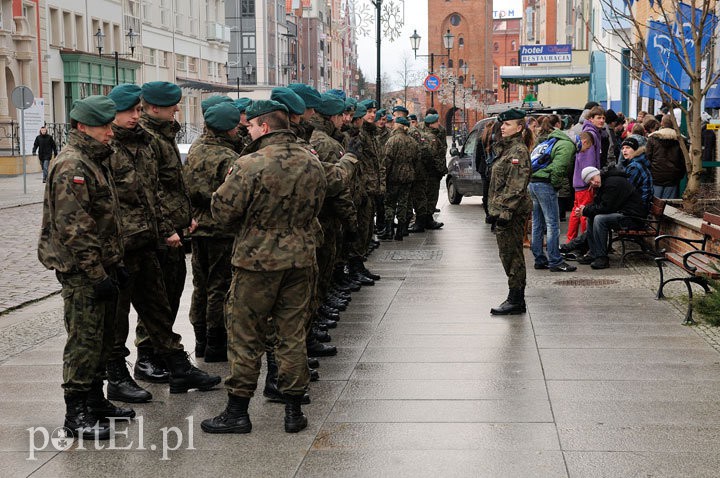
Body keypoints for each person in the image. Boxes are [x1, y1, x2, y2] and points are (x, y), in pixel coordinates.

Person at [202, 100, 327, 435]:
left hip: (256, 261)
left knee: (245, 335)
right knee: (291, 333)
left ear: (265, 126)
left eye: (252, 126)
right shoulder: (312, 161)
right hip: (301, 257)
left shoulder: (249, 164)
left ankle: (237, 411)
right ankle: (294, 411)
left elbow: (223, 212)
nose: (248, 131)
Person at [38, 95, 134, 439]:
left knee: (103, 338)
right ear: (83, 127)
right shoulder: (72, 165)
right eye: (104, 126)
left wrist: (115, 264)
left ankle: (95, 399)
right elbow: (75, 228)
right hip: (82, 270)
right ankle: (75, 411)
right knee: (84, 340)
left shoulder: (95, 159)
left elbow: (107, 220)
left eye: (110, 125)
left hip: (102, 265)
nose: (110, 132)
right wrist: (96, 273)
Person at [135, 81, 196, 383]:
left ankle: (159, 353)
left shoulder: (163, 134)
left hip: (174, 229)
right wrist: (168, 227)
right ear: (155, 107)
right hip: (162, 233)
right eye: (172, 105)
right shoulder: (149, 138)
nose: (177, 110)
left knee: (170, 294)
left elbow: (174, 185)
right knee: (157, 299)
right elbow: (152, 188)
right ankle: (147, 357)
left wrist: (187, 218)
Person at [184, 102, 242, 362]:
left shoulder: (196, 148)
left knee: (201, 286)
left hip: (198, 228)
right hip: (221, 230)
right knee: (220, 286)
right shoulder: (227, 157)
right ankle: (216, 342)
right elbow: (232, 196)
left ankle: (200, 340)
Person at [487, 108, 534, 315]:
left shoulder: (517, 152)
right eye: (502, 124)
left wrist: (504, 213)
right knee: (507, 254)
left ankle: (516, 299)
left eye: (507, 124)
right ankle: (515, 298)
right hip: (503, 211)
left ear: (519, 127)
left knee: (512, 255)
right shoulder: (506, 149)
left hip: (511, 213)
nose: (502, 128)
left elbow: (516, 186)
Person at [529, 115, 577, 273]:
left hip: (533, 182)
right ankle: (555, 260)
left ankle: (539, 259)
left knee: (537, 223)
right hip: (545, 184)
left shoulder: (547, 141)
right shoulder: (566, 145)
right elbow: (559, 168)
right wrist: (555, 185)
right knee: (552, 224)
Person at [575, 166, 647, 269]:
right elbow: (599, 204)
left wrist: (585, 210)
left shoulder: (612, 183)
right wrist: (585, 209)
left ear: (597, 174)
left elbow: (606, 207)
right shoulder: (604, 182)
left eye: (592, 178)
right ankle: (593, 253)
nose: (593, 182)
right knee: (591, 217)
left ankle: (601, 257)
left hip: (633, 218)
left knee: (599, 219)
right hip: (624, 214)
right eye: (589, 182)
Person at [566, 106, 604, 243]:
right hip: (585, 181)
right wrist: (592, 179)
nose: (602, 120)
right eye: (598, 118)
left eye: (603, 118)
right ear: (591, 119)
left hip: (579, 180)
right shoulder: (591, 135)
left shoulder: (589, 131)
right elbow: (588, 160)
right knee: (584, 212)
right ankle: (585, 242)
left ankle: (571, 240)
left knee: (576, 211)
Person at [381, 116, 417, 240]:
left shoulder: (392, 141)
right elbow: (417, 160)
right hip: (408, 177)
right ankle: (401, 231)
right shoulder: (413, 142)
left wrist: (384, 176)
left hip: (393, 177)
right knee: (403, 203)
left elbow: (387, 160)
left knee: (389, 203)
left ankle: (389, 230)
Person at [645, 114, 687, 199]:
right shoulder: (680, 140)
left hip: (656, 176)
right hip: (672, 177)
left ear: (661, 123)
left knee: (655, 204)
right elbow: (683, 161)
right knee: (669, 206)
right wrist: (680, 175)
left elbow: (647, 157)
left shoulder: (653, 138)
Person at [619, 135, 653, 212]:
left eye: (628, 148)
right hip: (635, 206)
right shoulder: (634, 163)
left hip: (637, 210)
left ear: (635, 150)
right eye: (623, 148)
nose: (624, 150)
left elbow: (627, 190)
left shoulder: (635, 167)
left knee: (599, 219)